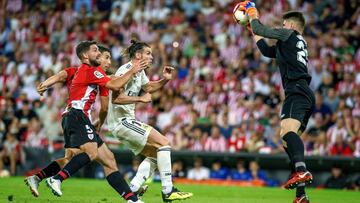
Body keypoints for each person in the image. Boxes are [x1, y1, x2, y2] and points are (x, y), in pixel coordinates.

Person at [25, 41, 148, 203]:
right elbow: (107, 98)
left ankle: (132, 200)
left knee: (106, 160)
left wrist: (46, 84)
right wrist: (133, 71)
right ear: (87, 56)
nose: (108, 61)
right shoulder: (92, 71)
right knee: (91, 153)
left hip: (75, 117)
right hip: (77, 116)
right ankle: (57, 179)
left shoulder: (92, 75)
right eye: (104, 56)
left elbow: (63, 75)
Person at [240, 2, 315, 203]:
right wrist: (252, 31)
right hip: (304, 92)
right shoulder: (294, 43)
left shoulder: (289, 34)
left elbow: (261, 28)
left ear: (290, 25)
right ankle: (301, 195)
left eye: (283, 24)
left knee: (287, 132)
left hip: (296, 90)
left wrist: (251, 11)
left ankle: (300, 171)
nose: (281, 27)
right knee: (286, 140)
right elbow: (266, 50)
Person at [107, 40, 193, 202]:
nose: (152, 57)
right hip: (122, 121)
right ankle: (168, 190)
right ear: (138, 55)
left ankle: (133, 189)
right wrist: (140, 99)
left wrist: (165, 80)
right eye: (148, 53)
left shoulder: (139, 71)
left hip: (125, 121)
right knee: (164, 143)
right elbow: (116, 99)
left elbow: (149, 88)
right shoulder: (125, 70)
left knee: (156, 154)